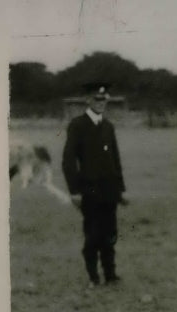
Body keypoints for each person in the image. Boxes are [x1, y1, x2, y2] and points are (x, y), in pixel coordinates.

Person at [62, 82, 127, 287]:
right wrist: (74, 191)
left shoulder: (108, 126)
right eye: (97, 99)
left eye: (104, 99)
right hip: (89, 190)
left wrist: (120, 189)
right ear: (88, 101)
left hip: (109, 190)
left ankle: (110, 274)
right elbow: (68, 160)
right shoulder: (78, 125)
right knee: (93, 234)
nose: (101, 103)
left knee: (110, 233)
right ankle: (93, 276)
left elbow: (115, 160)